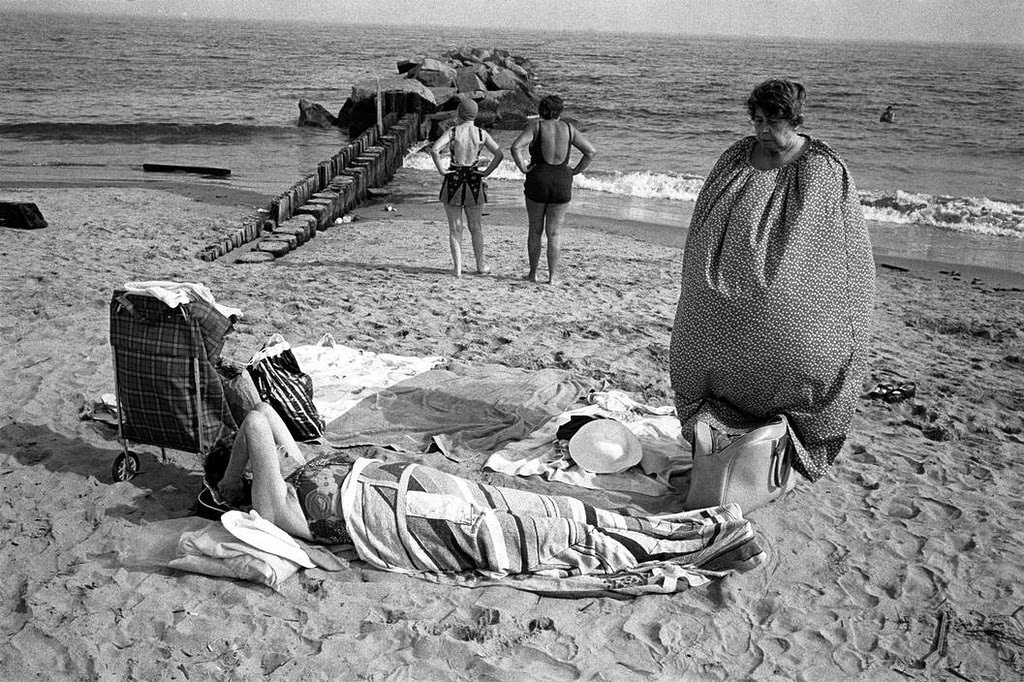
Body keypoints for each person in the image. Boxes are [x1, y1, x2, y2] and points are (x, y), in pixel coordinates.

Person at [212, 402, 763, 576]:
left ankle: (686, 530)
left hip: (415, 484)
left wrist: (229, 477)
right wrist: (227, 488)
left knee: (553, 504)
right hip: (398, 516)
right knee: (542, 534)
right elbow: (256, 426)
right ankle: (695, 541)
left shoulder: (293, 473)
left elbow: (260, 413)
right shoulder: (276, 507)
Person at [669, 78, 875, 484]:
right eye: (757, 120)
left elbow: (838, 246)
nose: (762, 130)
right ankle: (721, 431)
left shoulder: (823, 168)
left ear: (793, 119)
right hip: (725, 273)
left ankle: (783, 438)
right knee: (699, 340)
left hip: (791, 280)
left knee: (803, 351)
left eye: (771, 121)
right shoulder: (736, 157)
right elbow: (706, 220)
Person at [511, 94, 596, 284]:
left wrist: (523, 168)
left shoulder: (536, 126)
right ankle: (552, 277)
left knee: (535, 230)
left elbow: (515, 147)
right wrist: (575, 171)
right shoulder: (568, 128)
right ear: (560, 111)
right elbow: (590, 151)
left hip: (538, 179)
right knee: (555, 232)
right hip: (561, 181)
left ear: (541, 110)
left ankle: (532, 274)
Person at [429, 97, 503, 278]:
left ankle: (458, 269)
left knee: (455, 227)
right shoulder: (480, 134)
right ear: (475, 115)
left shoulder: (453, 132)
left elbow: (434, 149)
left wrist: (441, 170)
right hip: (474, 180)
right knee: (475, 226)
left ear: (460, 113)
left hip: (453, 179)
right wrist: (486, 173)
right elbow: (499, 154)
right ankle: (480, 266)